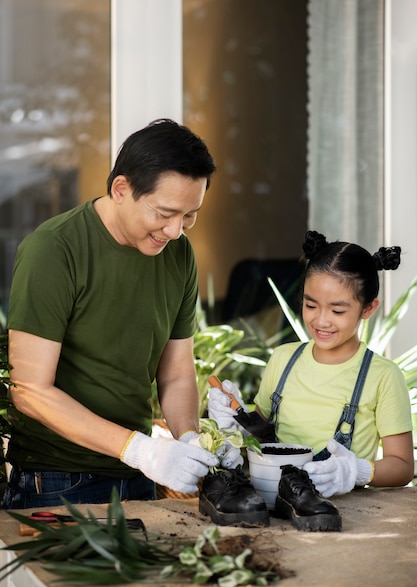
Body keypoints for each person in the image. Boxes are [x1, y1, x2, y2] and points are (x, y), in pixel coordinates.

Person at [1, 118, 228, 510]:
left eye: (190, 216)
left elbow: (175, 373)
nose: (175, 231)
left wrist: (188, 440)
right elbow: (30, 391)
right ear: (121, 189)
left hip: (138, 477)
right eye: (164, 213)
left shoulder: (179, 253)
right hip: (57, 481)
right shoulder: (54, 250)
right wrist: (140, 449)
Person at [209, 231, 414, 524]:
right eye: (310, 305)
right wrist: (236, 420)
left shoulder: (382, 376)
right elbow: (260, 434)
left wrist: (357, 470)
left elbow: (403, 466)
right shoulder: (283, 359)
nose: (320, 320)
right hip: (270, 507)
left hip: (339, 513)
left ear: (368, 308)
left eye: (338, 310)